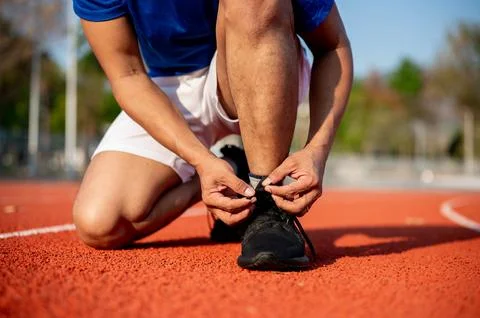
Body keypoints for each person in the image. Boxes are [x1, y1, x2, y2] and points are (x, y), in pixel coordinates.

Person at [72, 0, 353, 271]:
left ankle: (266, 205)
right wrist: (202, 161)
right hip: (165, 90)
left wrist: (317, 147)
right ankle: (235, 171)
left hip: (257, 61)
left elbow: (333, 45)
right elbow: (127, 75)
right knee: (99, 223)